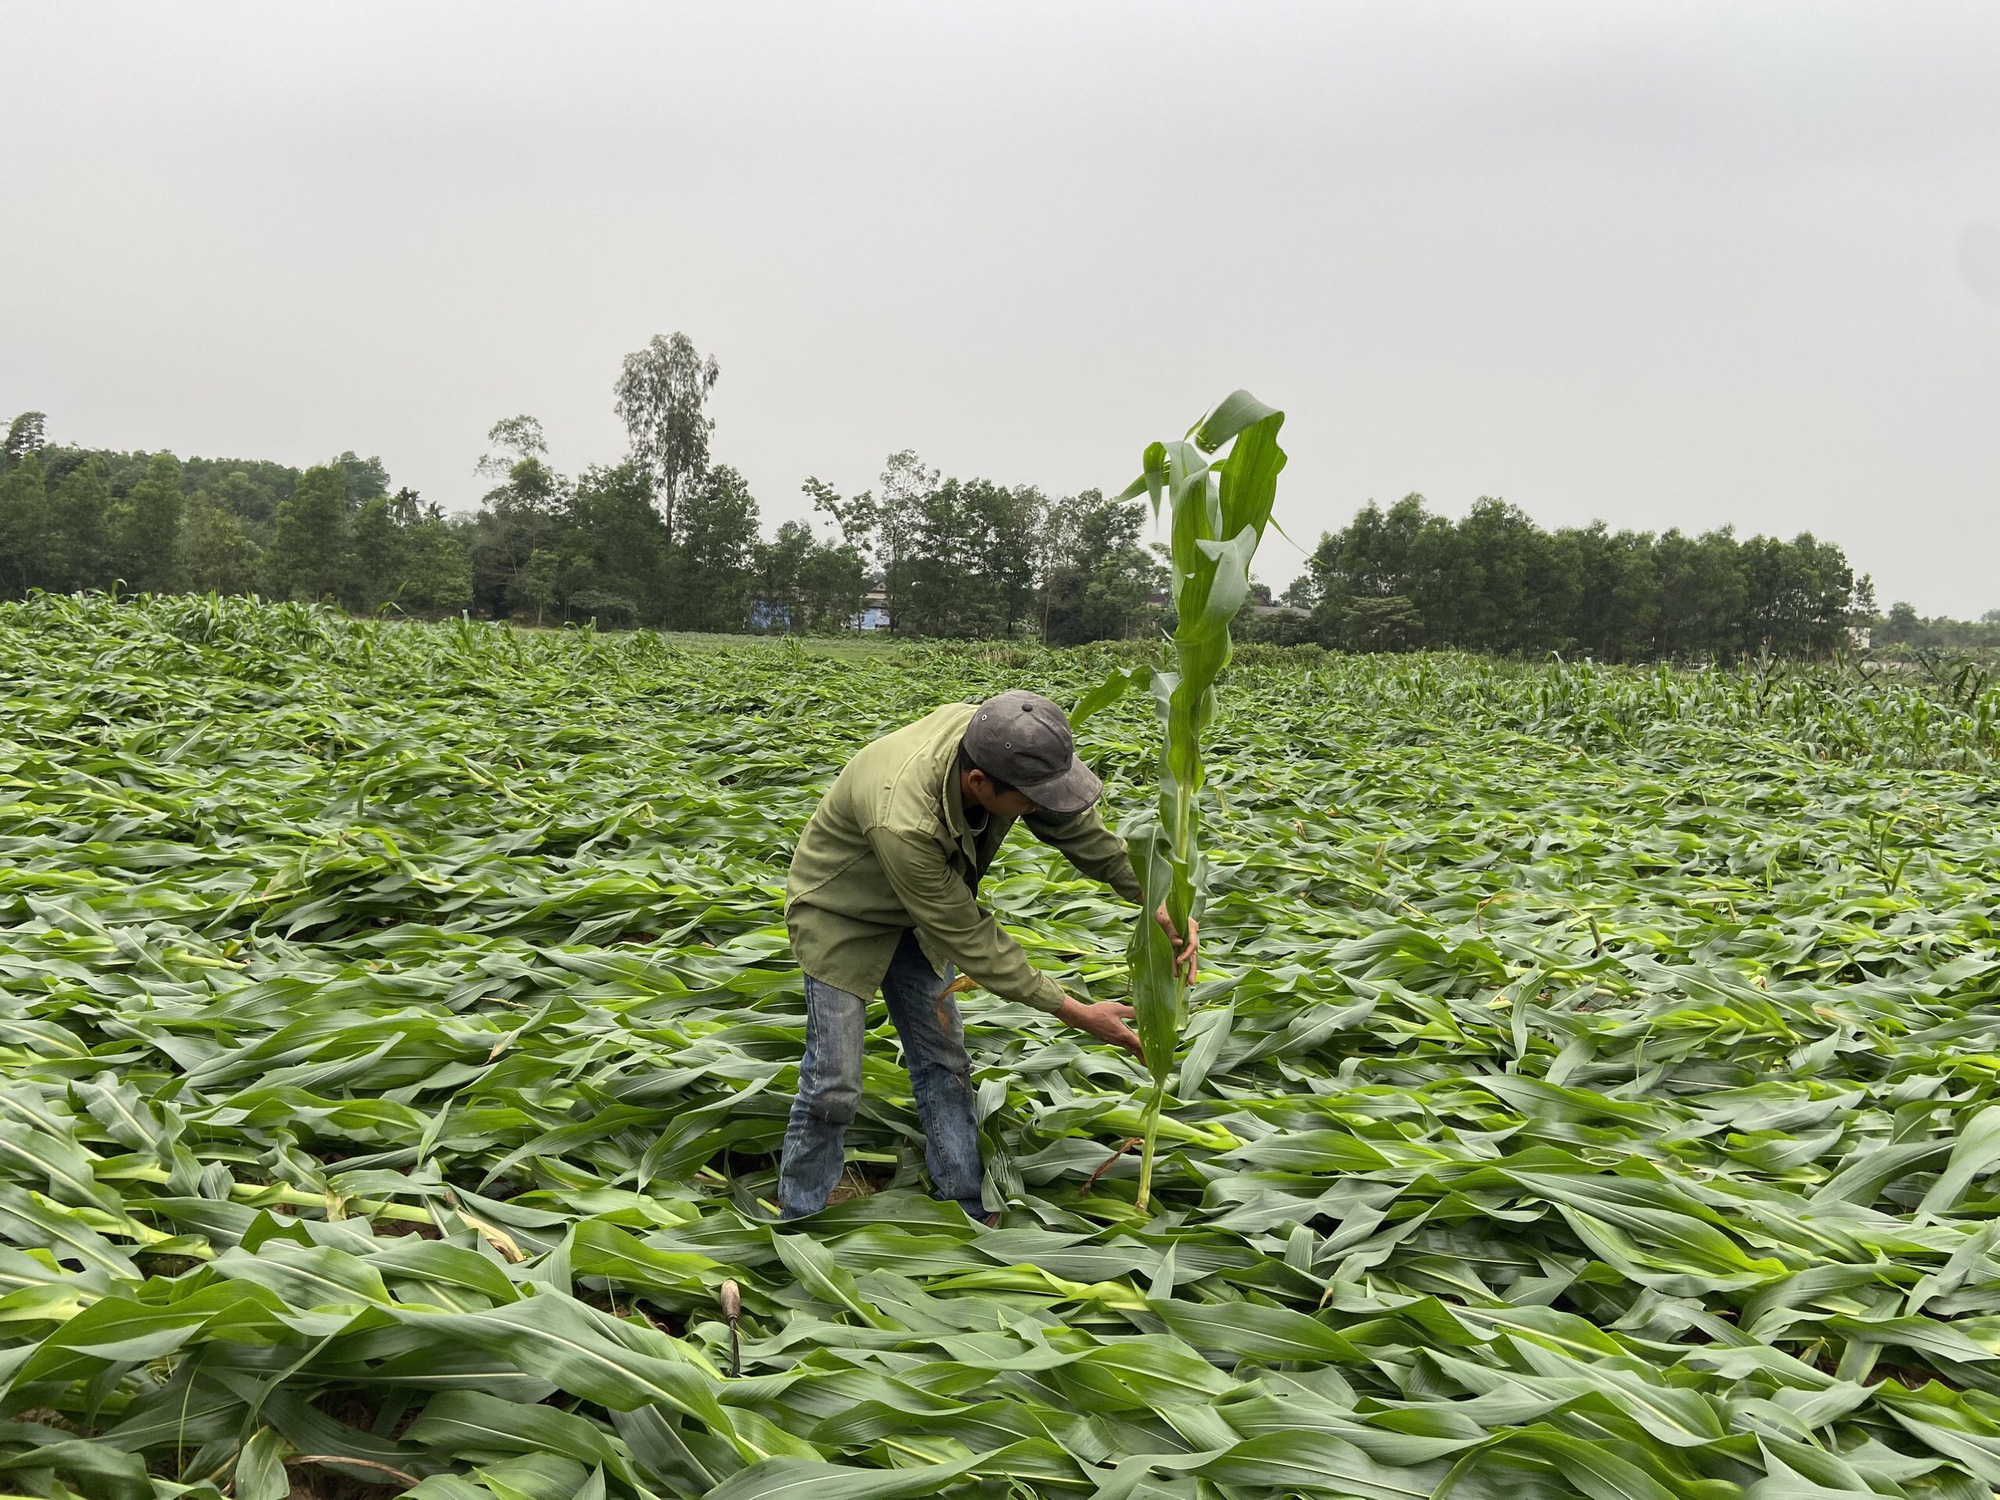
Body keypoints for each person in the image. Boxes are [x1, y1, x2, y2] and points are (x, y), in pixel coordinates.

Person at [777, 689, 1198, 1224]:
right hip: (841, 913)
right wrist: (1073, 1011)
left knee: (945, 1060)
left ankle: (964, 1203)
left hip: (921, 907)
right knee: (835, 1082)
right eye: (1029, 798)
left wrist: (1153, 896)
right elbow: (968, 935)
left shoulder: (998, 740)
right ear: (979, 784)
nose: (1039, 807)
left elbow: (1071, 824)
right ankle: (797, 1217)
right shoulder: (905, 818)